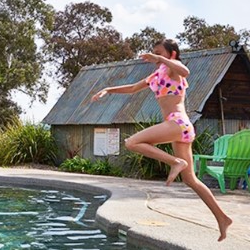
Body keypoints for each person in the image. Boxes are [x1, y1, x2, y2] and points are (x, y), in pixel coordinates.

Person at [91, 39, 232, 242]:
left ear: (171, 54)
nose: (154, 57)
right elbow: (132, 88)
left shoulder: (174, 70)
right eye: (153, 54)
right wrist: (108, 89)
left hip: (178, 123)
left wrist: (159, 59)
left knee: (132, 142)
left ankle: (175, 162)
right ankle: (222, 218)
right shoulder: (156, 75)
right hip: (178, 129)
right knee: (190, 179)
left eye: (158, 53)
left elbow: (186, 71)